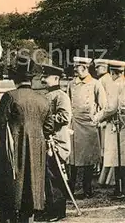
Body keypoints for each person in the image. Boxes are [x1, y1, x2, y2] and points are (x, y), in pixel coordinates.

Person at [0, 54, 52, 223]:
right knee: (31, 185)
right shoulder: (43, 99)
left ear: (14, 78)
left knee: (10, 184)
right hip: (36, 149)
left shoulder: (10, 97)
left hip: (13, 148)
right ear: (31, 79)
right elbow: (49, 127)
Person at [35, 64, 72, 222]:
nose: (44, 79)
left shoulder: (61, 96)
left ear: (56, 78)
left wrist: (45, 120)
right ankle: (49, 208)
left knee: (54, 176)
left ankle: (58, 211)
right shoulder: (47, 95)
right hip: (47, 141)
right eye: (43, 77)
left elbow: (64, 117)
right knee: (47, 176)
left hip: (57, 141)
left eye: (47, 77)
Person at [67, 56, 107, 199]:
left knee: (88, 159)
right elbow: (68, 102)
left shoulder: (96, 84)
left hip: (89, 126)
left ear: (84, 68)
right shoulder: (72, 84)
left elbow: (104, 106)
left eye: (77, 67)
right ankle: (71, 188)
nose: (75, 70)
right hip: (75, 124)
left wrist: (96, 119)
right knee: (73, 159)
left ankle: (87, 188)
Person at [99, 60, 125, 198]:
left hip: (117, 125)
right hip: (122, 124)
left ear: (112, 73)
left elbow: (111, 107)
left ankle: (119, 189)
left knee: (117, 157)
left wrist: (98, 117)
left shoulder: (115, 85)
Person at [95, 59, 114, 179]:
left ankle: (102, 172)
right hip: (106, 116)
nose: (96, 70)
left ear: (103, 68)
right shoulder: (109, 79)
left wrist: (100, 117)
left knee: (103, 146)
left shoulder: (102, 80)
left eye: (97, 68)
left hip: (104, 116)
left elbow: (106, 103)